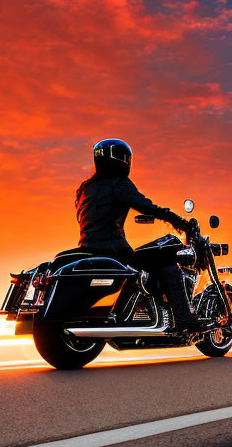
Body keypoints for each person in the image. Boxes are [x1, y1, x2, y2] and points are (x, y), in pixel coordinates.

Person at [75, 138, 202, 332]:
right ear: (121, 160)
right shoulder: (119, 184)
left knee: (150, 263)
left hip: (87, 248)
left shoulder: (85, 189)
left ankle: (151, 308)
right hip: (114, 249)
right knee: (168, 263)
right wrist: (180, 222)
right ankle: (186, 321)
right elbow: (148, 207)